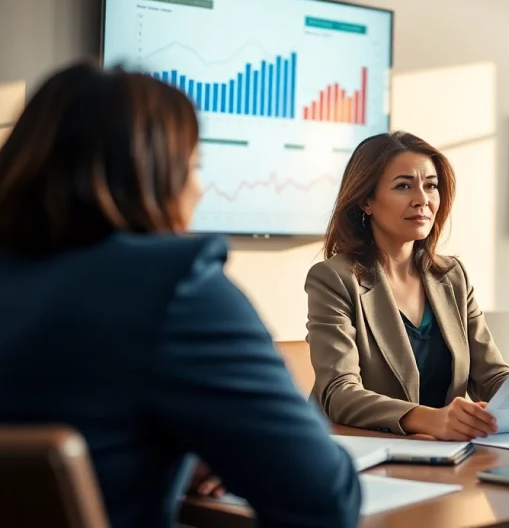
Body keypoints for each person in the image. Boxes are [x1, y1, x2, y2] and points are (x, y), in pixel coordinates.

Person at [0, 63, 361, 528]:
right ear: (156, 176)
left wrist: (167, 448)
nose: (198, 186)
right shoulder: (174, 286)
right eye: (193, 165)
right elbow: (324, 501)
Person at [306, 131, 509, 439]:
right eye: (403, 186)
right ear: (366, 201)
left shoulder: (452, 276)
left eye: (431, 186)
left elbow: (491, 376)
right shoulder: (334, 279)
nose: (423, 200)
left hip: (443, 450)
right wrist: (429, 419)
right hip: (360, 450)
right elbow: (339, 393)